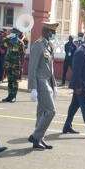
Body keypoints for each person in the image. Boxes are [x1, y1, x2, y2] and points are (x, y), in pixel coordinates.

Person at [27, 21, 59, 149]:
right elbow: (32, 68)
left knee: (41, 113)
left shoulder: (49, 45)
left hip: (48, 84)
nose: (54, 34)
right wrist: (33, 88)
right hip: (40, 84)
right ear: (47, 32)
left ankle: (39, 139)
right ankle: (36, 136)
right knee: (51, 111)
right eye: (53, 32)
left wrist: (55, 85)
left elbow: (50, 69)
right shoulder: (38, 45)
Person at [1, 28, 25, 103]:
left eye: (14, 32)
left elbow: (22, 55)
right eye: (12, 32)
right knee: (9, 80)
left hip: (16, 64)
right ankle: (9, 95)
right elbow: (0, 39)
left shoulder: (20, 42)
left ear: (17, 34)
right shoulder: (9, 40)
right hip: (8, 64)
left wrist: (21, 65)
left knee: (15, 81)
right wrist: (6, 33)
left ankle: (13, 96)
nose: (12, 33)